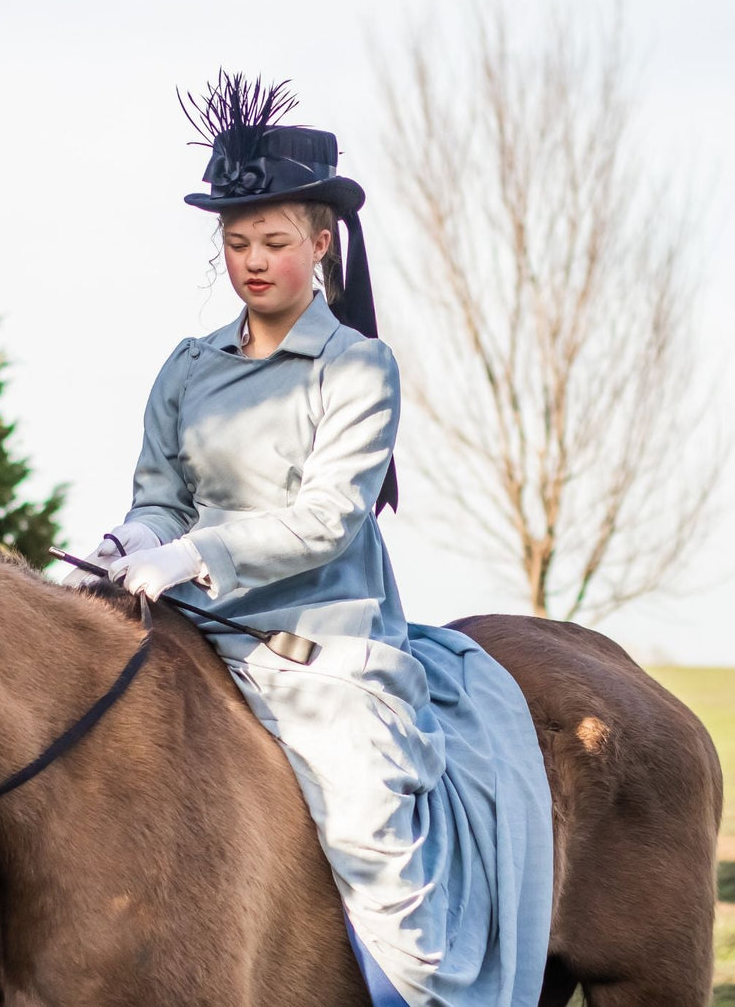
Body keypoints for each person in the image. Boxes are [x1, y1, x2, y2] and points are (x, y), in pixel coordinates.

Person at [66, 73, 554, 1007]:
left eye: (275, 242)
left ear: (322, 245)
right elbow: (162, 495)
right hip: (190, 633)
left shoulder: (357, 366)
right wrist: (130, 537)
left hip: (318, 649)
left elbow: (330, 517)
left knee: (375, 838)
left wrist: (192, 556)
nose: (253, 261)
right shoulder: (188, 364)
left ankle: (425, 992)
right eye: (237, 242)